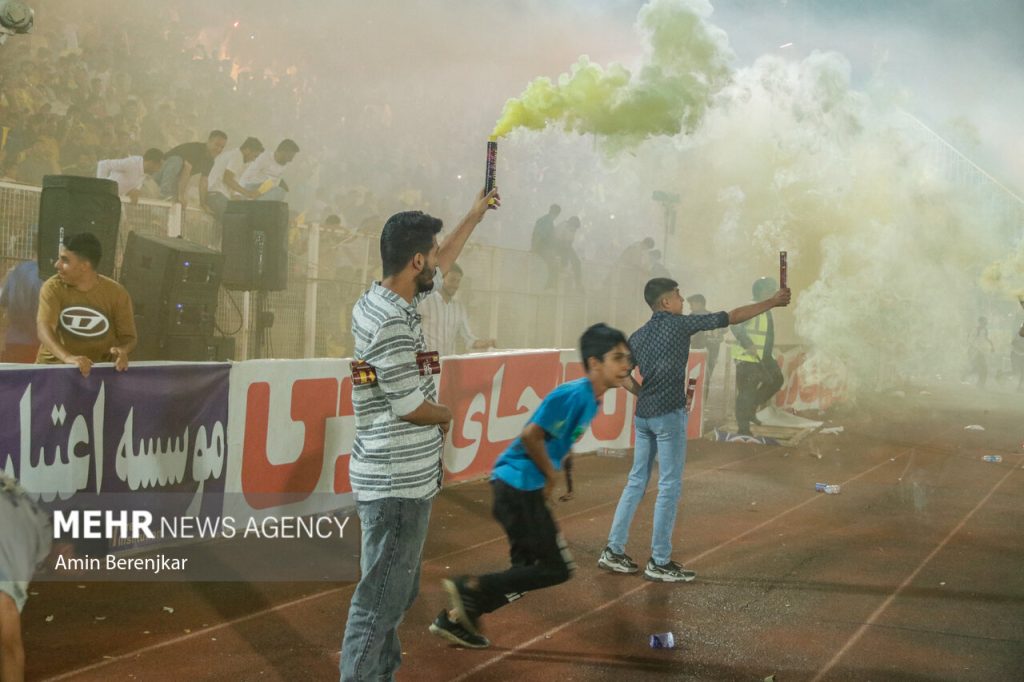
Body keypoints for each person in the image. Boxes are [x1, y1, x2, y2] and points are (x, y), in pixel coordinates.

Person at [339, 187, 498, 682]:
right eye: (429, 257)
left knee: (393, 593)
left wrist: (472, 215)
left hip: (391, 476)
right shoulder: (391, 321)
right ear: (414, 262)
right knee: (380, 600)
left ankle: (378, 674)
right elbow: (409, 407)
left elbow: (444, 260)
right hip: (397, 483)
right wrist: (447, 415)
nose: (437, 265)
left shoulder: (382, 299)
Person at [432, 323, 634, 648]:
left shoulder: (591, 400)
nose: (627, 365)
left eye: (628, 357)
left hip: (519, 488)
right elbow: (531, 435)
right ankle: (470, 587)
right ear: (595, 363)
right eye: (618, 357)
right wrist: (550, 477)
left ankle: (453, 620)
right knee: (556, 569)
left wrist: (564, 476)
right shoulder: (574, 395)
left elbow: (560, 440)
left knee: (525, 575)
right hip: (517, 486)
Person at [598, 277, 790, 581]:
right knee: (669, 486)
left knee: (636, 481)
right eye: (677, 295)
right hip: (668, 417)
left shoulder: (638, 335)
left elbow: (620, 375)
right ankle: (659, 561)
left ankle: (613, 550)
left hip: (644, 416)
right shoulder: (680, 325)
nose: (682, 300)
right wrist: (772, 303)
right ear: (665, 302)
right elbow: (730, 317)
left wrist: (643, 393)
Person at [35, 233, 137, 377]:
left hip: (96, 374)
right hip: (52, 374)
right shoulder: (52, 288)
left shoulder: (117, 293)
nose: (57, 264)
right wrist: (68, 358)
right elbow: (44, 329)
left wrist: (122, 351)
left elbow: (129, 338)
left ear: (84, 266)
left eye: (65, 260)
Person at [731, 277, 787, 435]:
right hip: (747, 357)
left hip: (764, 356)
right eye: (770, 289)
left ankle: (750, 408)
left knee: (777, 380)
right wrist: (748, 344)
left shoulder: (766, 308)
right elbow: (735, 325)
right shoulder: (750, 307)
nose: (772, 293)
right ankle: (743, 429)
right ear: (760, 291)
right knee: (745, 392)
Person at [417, 263, 495, 356]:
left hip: (447, 362)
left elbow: (468, 338)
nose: (455, 285)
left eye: (458, 281)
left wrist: (485, 343)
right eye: (452, 280)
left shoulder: (459, 308)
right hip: (426, 362)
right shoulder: (424, 302)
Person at [152, 130, 228, 211]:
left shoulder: (210, 161)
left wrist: (203, 203)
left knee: (179, 203)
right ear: (209, 141)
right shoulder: (196, 149)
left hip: (175, 180)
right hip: (159, 173)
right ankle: (165, 194)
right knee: (177, 160)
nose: (219, 149)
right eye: (217, 145)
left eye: (222, 147)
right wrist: (181, 195)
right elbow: (187, 170)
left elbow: (204, 181)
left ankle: (159, 215)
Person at [206, 136, 264, 217]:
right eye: (254, 156)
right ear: (247, 150)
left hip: (218, 195)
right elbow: (227, 179)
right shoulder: (237, 156)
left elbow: (231, 184)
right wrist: (247, 193)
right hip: (215, 195)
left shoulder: (237, 157)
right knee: (236, 221)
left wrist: (238, 197)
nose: (254, 160)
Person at [0, 258, 42, 363]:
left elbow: (3, 301)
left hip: (13, 341)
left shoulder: (17, 269)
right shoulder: (48, 275)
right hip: (38, 345)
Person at [95, 148, 164, 203]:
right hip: (102, 199)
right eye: (159, 166)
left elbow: (136, 182)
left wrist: (135, 190)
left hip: (116, 200)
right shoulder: (131, 163)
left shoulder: (145, 172)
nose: (158, 170)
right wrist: (102, 188)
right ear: (151, 162)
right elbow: (103, 164)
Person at [687, 293, 725, 389]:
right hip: (712, 355)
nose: (690, 308)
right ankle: (702, 402)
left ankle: (692, 403)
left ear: (700, 304)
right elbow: (722, 335)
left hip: (697, 354)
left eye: (692, 304)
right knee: (705, 381)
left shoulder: (693, 317)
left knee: (693, 381)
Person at [530, 204, 561, 289]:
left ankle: (545, 287)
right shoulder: (546, 221)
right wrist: (534, 248)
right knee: (551, 269)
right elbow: (538, 235)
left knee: (546, 269)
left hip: (542, 249)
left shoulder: (545, 220)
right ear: (557, 214)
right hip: (542, 250)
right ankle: (547, 288)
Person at [963, 316, 995, 388]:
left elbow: (986, 338)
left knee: (980, 368)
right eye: (984, 321)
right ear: (980, 322)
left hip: (981, 351)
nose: (986, 323)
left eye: (986, 321)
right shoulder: (976, 330)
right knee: (982, 368)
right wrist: (974, 348)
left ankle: (978, 382)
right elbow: (970, 340)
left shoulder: (985, 330)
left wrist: (992, 345)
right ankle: (979, 383)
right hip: (976, 352)